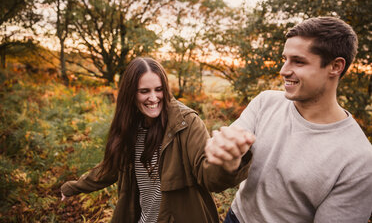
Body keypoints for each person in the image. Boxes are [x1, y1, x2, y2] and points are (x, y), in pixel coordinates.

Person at [205, 17, 372, 222]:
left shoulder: (360, 160)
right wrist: (227, 160)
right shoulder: (265, 102)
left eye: (298, 61)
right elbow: (218, 174)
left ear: (335, 66)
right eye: (285, 59)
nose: (284, 70)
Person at [60, 57, 251, 223]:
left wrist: (229, 162)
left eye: (158, 89)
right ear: (131, 94)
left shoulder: (187, 123)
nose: (153, 98)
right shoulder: (131, 126)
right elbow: (110, 168)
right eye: (144, 91)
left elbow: (208, 176)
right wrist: (73, 187)